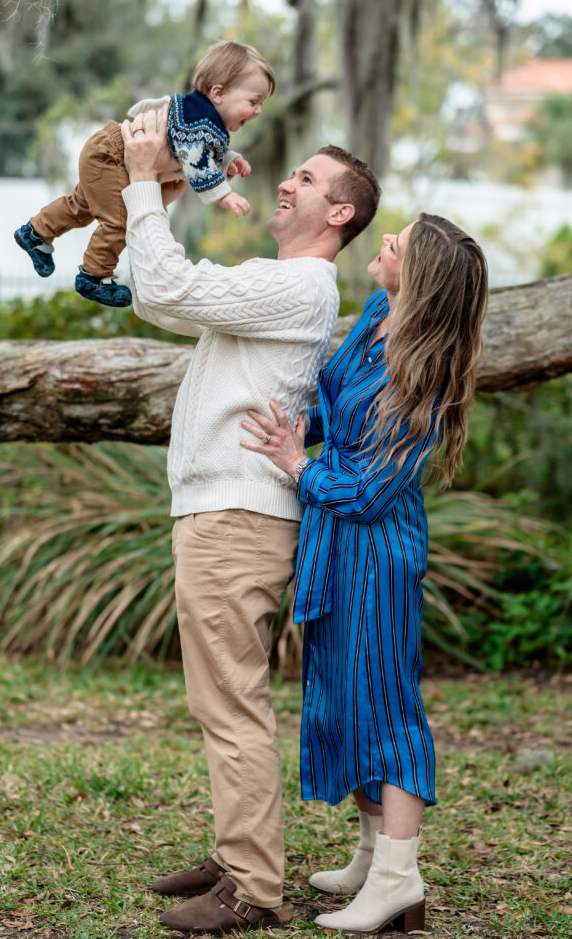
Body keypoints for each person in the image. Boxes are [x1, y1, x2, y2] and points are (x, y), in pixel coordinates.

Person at [117, 107, 381, 934]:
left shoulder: (297, 283)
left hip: (235, 517)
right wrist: (160, 188)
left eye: (306, 177)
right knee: (220, 698)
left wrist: (139, 179)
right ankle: (239, 852)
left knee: (231, 701)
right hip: (219, 508)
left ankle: (251, 887)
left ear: (338, 212)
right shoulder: (272, 282)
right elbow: (152, 298)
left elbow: (164, 284)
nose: (286, 181)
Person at [241, 214, 489, 934]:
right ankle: (371, 853)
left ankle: (397, 879)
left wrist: (297, 464)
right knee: (344, 702)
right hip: (334, 546)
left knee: (387, 712)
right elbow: (327, 397)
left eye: (396, 246)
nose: (382, 246)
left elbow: (370, 491)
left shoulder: (422, 371)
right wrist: (299, 430)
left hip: (377, 555)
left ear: (421, 277)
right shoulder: (376, 315)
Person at [13, 41, 274, 307]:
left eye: (261, 103)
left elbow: (205, 152)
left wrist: (229, 161)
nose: (258, 110)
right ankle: (94, 275)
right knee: (122, 219)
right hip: (113, 155)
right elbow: (194, 156)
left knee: (80, 206)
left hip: (109, 154)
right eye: (253, 101)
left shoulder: (205, 119)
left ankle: (34, 233)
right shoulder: (197, 118)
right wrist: (223, 195)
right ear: (218, 93)